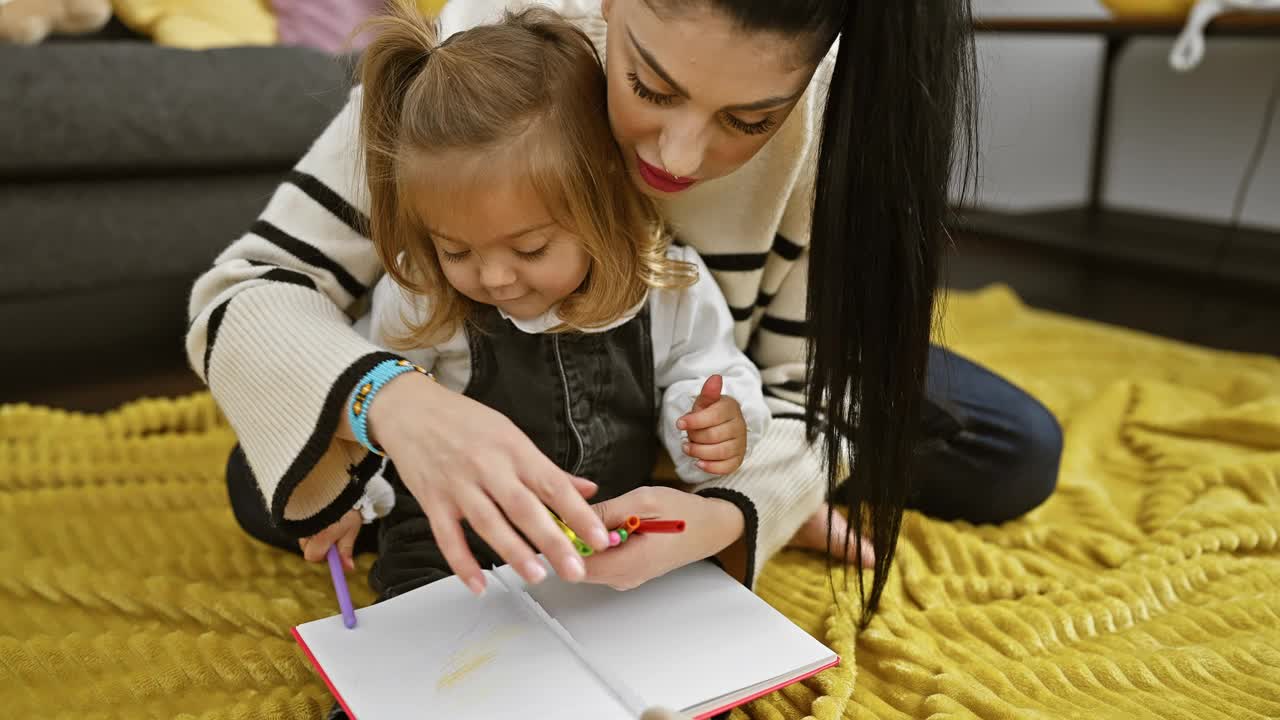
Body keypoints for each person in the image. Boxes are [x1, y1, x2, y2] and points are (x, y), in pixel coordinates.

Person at [192, 0, 1062, 629]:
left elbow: (802, 386)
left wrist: (735, 509)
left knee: (1012, 452)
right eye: (649, 84)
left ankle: (696, 478)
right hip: (474, 385)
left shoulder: (843, 122)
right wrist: (401, 404)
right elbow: (246, 290)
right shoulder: (473, 62)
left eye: (749, 119)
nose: (679, 158)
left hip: (719, 386)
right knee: (275, 479)